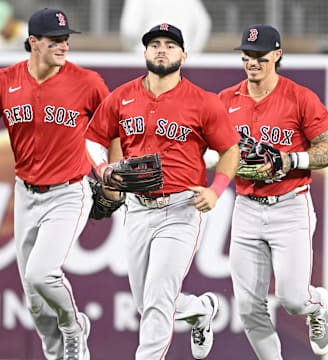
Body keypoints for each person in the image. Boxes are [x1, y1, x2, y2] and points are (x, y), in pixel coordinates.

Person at [85, 23, 240, 360]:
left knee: (157, 301)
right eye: (154, 44)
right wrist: (104, 169)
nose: (161, 50)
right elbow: (94, 137)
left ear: (183, 54)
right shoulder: (122, 96)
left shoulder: (203, 102)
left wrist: (216, 189)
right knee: (146, 302)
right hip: (138, 209)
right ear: (144, 52)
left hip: (181, 209)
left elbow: (231, 149)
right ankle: (200, 310)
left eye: (170, 45)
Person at [218, 24, 328, 359]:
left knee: (292, 299)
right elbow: (208, 148)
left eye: (259, 55)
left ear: (277, 54)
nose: (252, 61)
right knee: (247, 306)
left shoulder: (299, 97)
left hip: (290, 205)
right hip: (246, 206)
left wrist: (290, 159)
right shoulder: (226, 100)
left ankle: (317, 305)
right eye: (247, 54)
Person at [0, 8, 111, 360]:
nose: (63, 46)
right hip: (25, 192)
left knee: (42, 274)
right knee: (34, 302)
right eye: (55, 40)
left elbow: (113, 127)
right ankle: (55, 354)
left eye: (66, 39)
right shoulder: (7, 80)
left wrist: (111, 172)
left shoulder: (87, 82)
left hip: (68, 191)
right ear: (33, 42)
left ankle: (74, 326)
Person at [119, 0, 212, 52]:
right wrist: (192, 51)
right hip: (179, 59)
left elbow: (130, 31)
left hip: (145, 58)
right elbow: (203, 23)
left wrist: (132, 51)